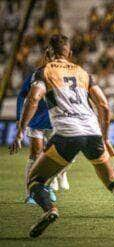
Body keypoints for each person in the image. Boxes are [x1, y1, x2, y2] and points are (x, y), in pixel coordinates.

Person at [10, 34, 114, 238]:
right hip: (92, 131)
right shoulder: (83, 72)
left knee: (35, 180)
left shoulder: (45, 71)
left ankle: (50, 209)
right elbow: (103, 105)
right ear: (70, 53)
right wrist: (105, 138)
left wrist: (21, 129)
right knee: (113, 181)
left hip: (67, 133)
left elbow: (33, 99)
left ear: (49, 52)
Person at [16, 51, 69, 205]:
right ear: (47, 57)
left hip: (57, 122)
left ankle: (48, 185)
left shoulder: (66, 75)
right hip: (36, 121)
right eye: (51, 57)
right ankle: (30, 194)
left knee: (57, 157)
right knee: (35, 155)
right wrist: (20, 118)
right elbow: (22, 95)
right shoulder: (36, 75)